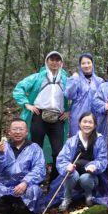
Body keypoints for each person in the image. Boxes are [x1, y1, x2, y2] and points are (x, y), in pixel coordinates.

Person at [13, 51, 70, 181]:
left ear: (61, 63)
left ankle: (54, 181)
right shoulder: (38, 77)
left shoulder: (66, 80)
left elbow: (77, 95)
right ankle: (35, 180)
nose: (54, 62)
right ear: (47, 61)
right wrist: (26, 104)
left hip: (57, 119)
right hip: (38, 117)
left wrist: (69, 111)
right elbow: (19, 88)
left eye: (57, 60)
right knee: (35, 150)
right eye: (52, 59)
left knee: (58, 151)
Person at [52, 112, 108, 211]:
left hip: (91, 176)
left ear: (95, 125)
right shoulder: (72, 141)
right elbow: (62, 158)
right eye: (84, 122)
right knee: (71, 174)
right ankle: (67, 197)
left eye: (90, 122)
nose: (87, 125)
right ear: (79, 123)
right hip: (73, 173)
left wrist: (94, 166)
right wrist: (66, 166)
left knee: (85, 178)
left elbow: (102, 159)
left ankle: (88, 196)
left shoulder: (99, 140)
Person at [0, 118, 46, 214]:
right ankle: (5, 209)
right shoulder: (3, 147)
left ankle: (23, 211)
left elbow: (39, 168)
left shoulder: (34, 148)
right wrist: (0, 154)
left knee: (34, 191)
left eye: (21, 129)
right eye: (14, 129)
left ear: (26, 132)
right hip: (4, 185)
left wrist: (25, 182)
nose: (18, 132)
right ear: (9, 132)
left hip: (26, 185)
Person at [65, 53, 104, 137]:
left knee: (94, 142)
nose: (86, 65)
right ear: (80, 65)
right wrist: (74, 80)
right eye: (83, 63)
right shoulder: (75, 79)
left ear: (92, 64)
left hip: (95, 116)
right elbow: (69, 95)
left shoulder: (99, 81)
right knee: (77, 141)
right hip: (78, 115)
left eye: (88, 63)